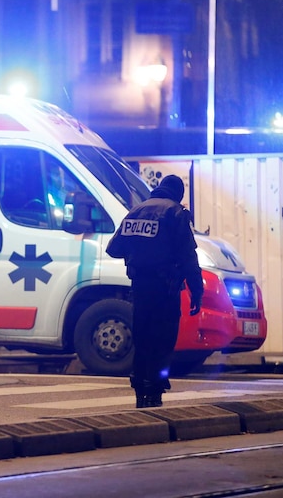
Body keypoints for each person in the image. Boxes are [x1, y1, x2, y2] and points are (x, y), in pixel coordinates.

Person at [105, 175, 203, 408]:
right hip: (165, 289)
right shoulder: (175, 213)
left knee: (143, 337)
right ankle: (156, 389)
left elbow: (114, 248)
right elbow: (189, 257)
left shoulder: (135, 211)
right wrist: (196, 291)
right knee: (163, 339)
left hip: (139, 287)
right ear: (177, 193)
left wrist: (139, 251)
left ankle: (140, 387)